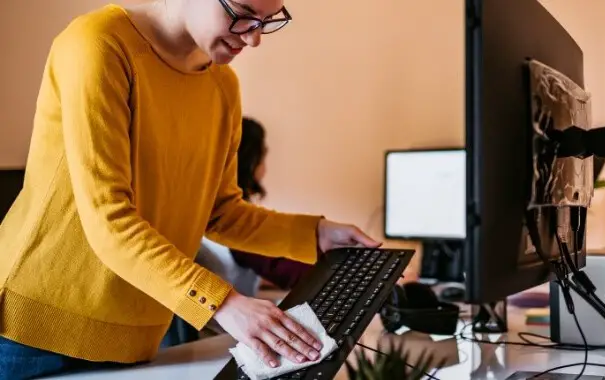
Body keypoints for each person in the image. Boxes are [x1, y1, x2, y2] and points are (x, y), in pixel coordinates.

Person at [0, 1, 380, 379]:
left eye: (267, 21)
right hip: (32, 328)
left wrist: (315, 233)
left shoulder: (222, 86)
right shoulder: (99, 44)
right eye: (243, 13)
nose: (254, 37)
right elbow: (108, 217)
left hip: (134, 336)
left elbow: (220, 212)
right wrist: (224, 304)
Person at [161, 117, 312, 347]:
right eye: (264, 154)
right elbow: (291, 272)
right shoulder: (235, 226)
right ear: (251, 161)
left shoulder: (197, 211)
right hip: (224, 340)